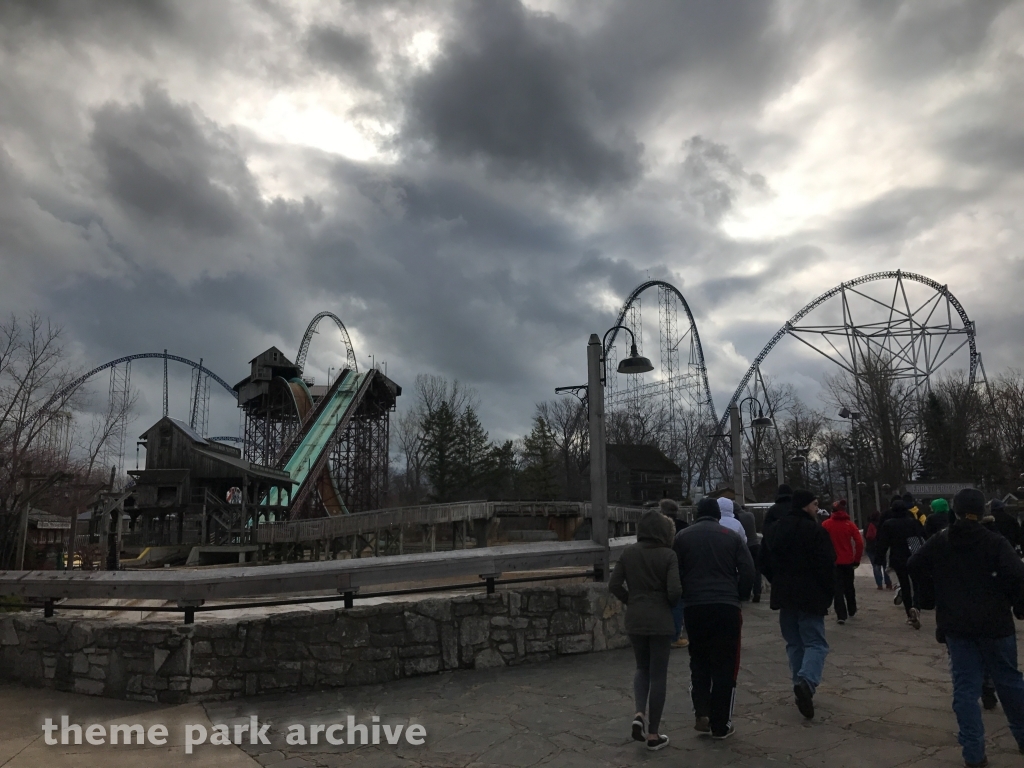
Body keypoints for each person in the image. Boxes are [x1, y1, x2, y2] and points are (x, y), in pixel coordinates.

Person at [908, 488, 1024, 768]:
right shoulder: (995, 542)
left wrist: (932, 595)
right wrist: (1016, 604)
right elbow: (1017, 574)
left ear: (955, 511)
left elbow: (914, 564)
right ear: (982, 512)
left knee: (965, 689)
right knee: (1009, 682)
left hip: (957, 625)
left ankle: (973, 753)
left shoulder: (941, 540)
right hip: (995, 623)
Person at [673, 497, 756, 740]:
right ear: (719, 515)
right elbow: (748, 569)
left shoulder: (683, 537)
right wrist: (740, 594)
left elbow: (675, 570)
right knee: (725, 665)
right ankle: (721, 724)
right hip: (726, 606)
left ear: (697, 515)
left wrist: (685, 595)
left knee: (699, 661)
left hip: (695, 607)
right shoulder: (731, 537)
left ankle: (702, 710)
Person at [609, 509, 682, 751]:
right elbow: (674, 591)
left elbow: (614, 584)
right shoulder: (668, 555)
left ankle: (639, 712)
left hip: (636, 618)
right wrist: (667, 604)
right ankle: (653, 734)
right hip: (660, 620)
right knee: (658, 674)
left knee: (641, 667)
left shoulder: (628, 553)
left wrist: (631, 600)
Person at [760, 488, 836, 720]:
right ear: (806, 506)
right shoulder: (815, 531)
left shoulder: (775, 529)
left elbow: (763, 560)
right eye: (814, 504)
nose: (816, 509)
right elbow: (826, 564)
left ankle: (799, 684)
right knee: (815, 643)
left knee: (794, 642)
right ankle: (806, 682)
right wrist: (828, 592)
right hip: (811, 593)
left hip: (785, 594)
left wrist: (777, 580)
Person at [877, 500, 926, 629]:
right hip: (914, 557)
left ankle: (909, 613)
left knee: (904, 586)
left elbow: (883, 543)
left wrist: (879, 558)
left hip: (898, 559)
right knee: (916, 585)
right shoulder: (913, 522)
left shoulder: (889, 524)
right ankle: (917, 607)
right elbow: (923, 537)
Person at [822, 499, 864, 625]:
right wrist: (856, 559)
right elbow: (860, 543)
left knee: (837, 589)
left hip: (833, 562)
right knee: (849, 586)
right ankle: (852, 608)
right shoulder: (850, 525)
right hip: (848, 562)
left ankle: (841, 614)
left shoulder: (826, 525)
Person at [659, 498, 689, 649]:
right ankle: (675, 635)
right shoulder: (685, 527)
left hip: (660, 566)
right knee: (678, 601)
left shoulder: (658, 527)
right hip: (680, 567)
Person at [734, 503, 762, 603]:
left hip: (746, 547)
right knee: (757, 570)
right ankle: (757, 591)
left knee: (745, 570)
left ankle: (745, 592)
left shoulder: (736, 518)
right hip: (755, 544)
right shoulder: (750, 515)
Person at [865, 510, 893, 590]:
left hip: (871, 548)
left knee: (876, 566)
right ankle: (888, 583)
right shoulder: (884, 525)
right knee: (885, 566)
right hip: (882, 548)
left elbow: (865, 536)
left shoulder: (868, 525)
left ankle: (879, 584)